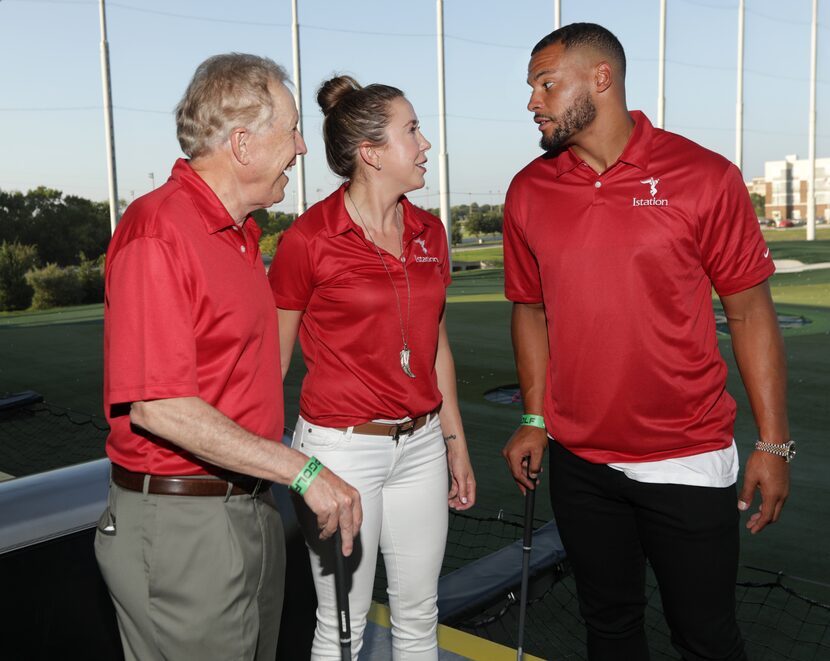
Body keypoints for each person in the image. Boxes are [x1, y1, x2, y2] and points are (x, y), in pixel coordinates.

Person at [501, 23, 792, 661]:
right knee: (608, 629)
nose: (532, 103)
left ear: (601, 79)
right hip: (579, 465)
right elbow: (528, 310)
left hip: (687, 459)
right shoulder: (528, 189)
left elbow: (749, 313)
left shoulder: (704, 176)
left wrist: (772, 442)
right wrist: (533, 416)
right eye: (531, 88)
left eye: (546, 85)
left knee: (707, 638)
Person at [94, 53, 362, 661]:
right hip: (183, 525)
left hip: (245, 508)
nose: (300, 148)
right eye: (291, 130)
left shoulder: (239, 235)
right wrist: (304, 469)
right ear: (242, 144)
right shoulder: (159, 232)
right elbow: (159, 407)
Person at [268, 75, 476, 660]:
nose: (426, 144)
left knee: (418, 617)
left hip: (423, 445)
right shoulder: (308, 240)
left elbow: (434, 343)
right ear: (372, 152)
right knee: (342, 626)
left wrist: (454, 441)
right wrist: (270, 461)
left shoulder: (429, 231)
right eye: (412, 130)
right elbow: (273, 362)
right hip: (340, 451)